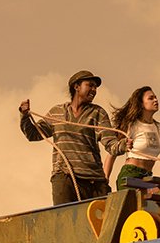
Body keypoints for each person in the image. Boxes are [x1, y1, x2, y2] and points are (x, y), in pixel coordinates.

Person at [18, 69, 117, 205]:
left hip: (94, 180)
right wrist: (24, 116)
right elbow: (33, 134)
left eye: (95, 87)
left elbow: (110, 143)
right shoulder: (57, 112)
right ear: (76, 86)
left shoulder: (97, 113)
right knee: (65, 220)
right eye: (90, 85)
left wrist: (124, 145)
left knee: (99, 223)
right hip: (64, 177)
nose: (94, 90)